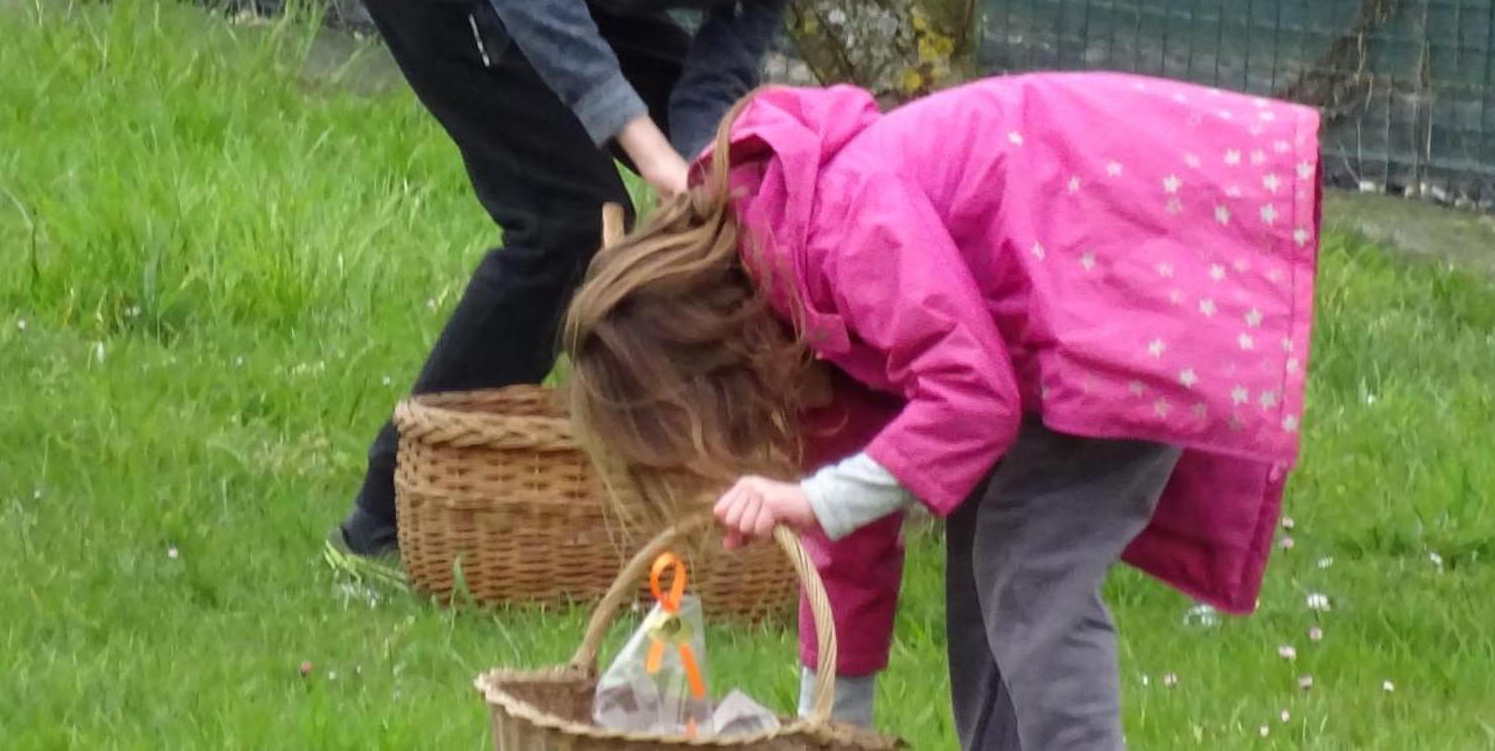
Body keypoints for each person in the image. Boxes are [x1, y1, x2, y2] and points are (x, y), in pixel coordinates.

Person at [321, 0, 999, 570]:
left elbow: (711, 81)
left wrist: (703, 177)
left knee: (746, 174)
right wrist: (647, 157)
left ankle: (697, 470)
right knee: (571, 222)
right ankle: (388, 522)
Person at [565, 73, 1323, 750]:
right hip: (1059, 309)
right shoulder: (798, 318)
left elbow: (973, 396)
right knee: (991, 552)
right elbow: (847, 549)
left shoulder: (839, 230)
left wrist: (813, 499)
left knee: (1031, 566)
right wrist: (831, 730)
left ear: (709, 362)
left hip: (1125, 259)